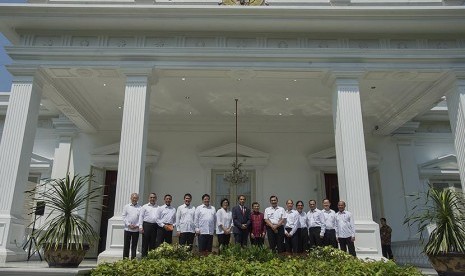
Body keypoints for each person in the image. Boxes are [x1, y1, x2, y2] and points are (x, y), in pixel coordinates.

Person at [138, 193, 160, 257]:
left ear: (156, 199)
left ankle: (151, 258)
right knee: (145, 243)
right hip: (146, 225)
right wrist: (140, 226)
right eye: (151, 197)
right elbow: (141, 217)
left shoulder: (159, 207)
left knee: (153, 243)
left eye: (154, 197)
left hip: (155, 226)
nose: (152, 199)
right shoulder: (144, 206)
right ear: (149, 198)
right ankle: (144, 258)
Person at [122, 193, 141, 259]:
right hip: (127, 229)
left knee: (134, 246)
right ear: (131, 198)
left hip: (136, 230)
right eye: (133, 197)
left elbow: (141, 218)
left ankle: (133, 260)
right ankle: (125, 260)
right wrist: (129, 224)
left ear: (138, 199)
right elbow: (124, 216)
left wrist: (137, 225)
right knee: (126, 245)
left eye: (136, 198)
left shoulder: (140, 208)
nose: (134, 199)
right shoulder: (126, 206)